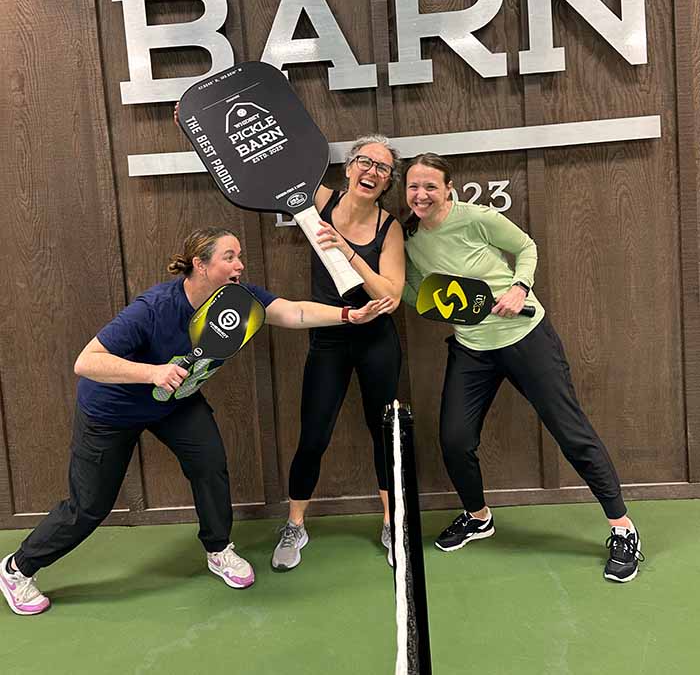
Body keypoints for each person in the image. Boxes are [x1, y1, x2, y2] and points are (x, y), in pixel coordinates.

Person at [0, 227, 393, 616]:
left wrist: (348, 315)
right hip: (113, 409)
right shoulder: (154, 308)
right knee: (89, 506)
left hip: (176, 403)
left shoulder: (240, 299)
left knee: (209, 465)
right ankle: (18, 568)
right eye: (229, 257)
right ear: (200, 266)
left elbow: (292, 311)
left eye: (240, 256)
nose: (240, 264)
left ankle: (218, 549)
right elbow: (86, 362)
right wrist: (151, 373)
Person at [401, 154, 644, 584]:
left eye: (430, 186)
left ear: (448, 188)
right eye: (413, 187)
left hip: (525, 336)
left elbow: (526, 247)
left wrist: (519, 286)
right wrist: (397, 293)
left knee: (571, 432)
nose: (421, 195)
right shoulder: (411, 238)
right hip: (471, 348)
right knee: (455, 440)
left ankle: (622, 528)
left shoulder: (475, 218)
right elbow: (418, 290)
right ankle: (478, 518)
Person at [271, 135, 405, 571]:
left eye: (382, 169)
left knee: (384, 433)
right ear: (348, 168)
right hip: (329, 335)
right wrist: (201, 124)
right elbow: (266, 159)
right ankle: (295, 524)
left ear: (387, 183)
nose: (372, 172)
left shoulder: (390, 228)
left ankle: (392, 521)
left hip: (377, 340)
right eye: (365, 162)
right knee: (313, 434)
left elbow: (391, 296)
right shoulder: (319, 201)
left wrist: (347, 251)